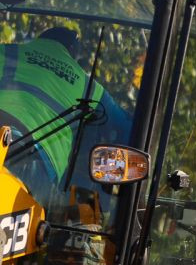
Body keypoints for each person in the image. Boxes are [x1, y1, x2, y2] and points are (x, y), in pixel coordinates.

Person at [0, 26, 119, 199]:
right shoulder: (90, 88)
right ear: (72, 52)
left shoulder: (8, 51)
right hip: (34, 165)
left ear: (40, 40)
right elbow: (127, 126)